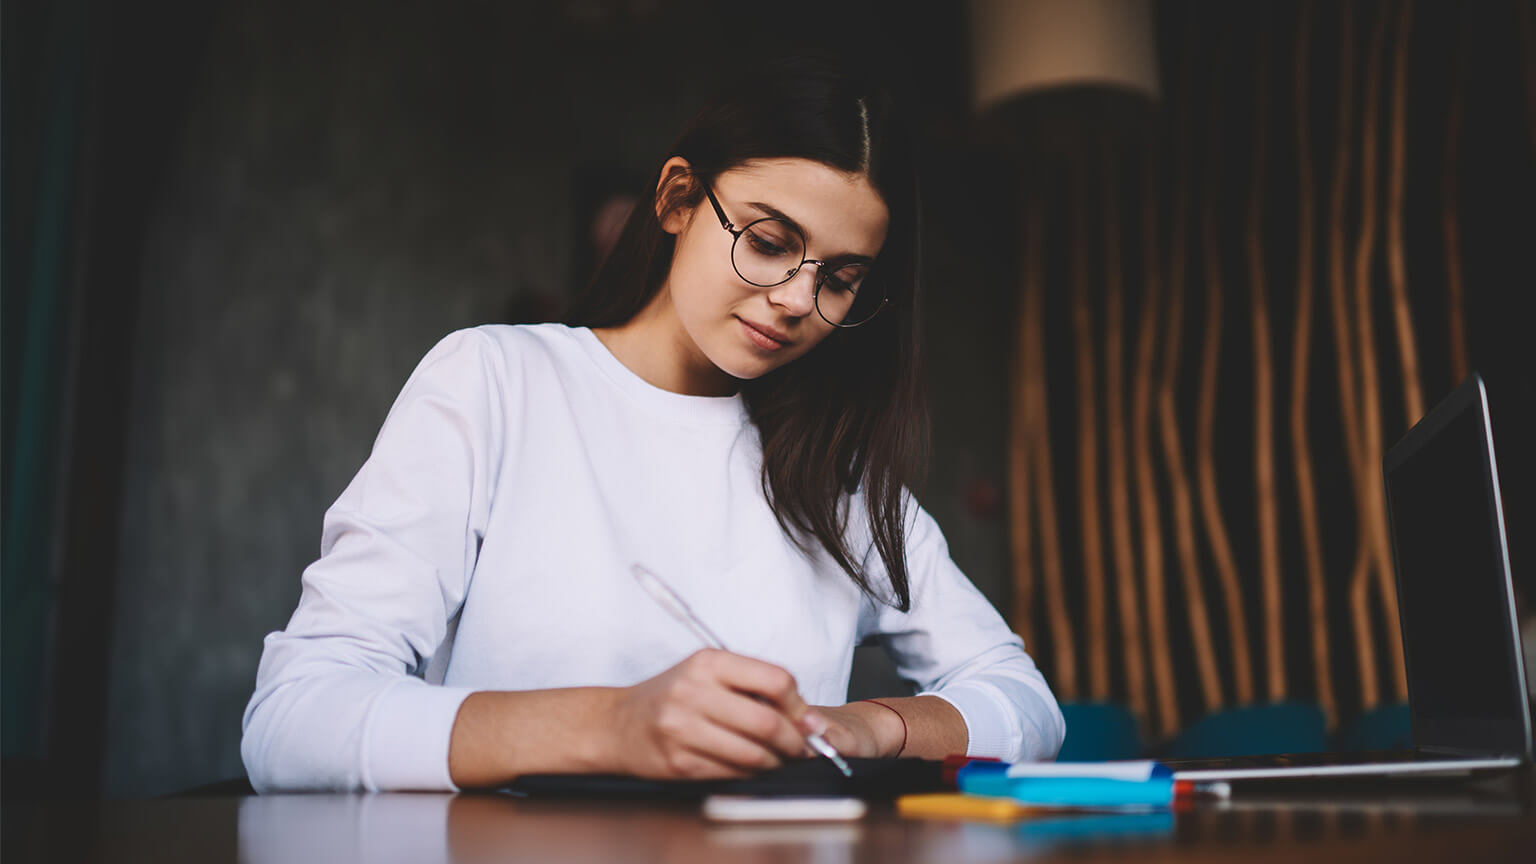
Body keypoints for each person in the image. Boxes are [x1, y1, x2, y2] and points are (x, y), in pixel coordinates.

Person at [240, 55, 1064, 793]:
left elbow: (1024, 704)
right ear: (676, 200)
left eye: (840, 278)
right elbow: (295, 717)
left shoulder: (835, 484)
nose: (797, 300)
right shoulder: (499, 383)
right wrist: (611, 727)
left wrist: (869, 727)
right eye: (771, 241)